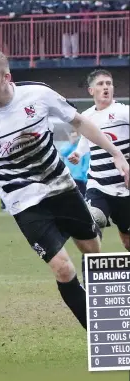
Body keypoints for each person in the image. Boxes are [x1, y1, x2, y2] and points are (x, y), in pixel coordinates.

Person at [0, 50, 129, 330]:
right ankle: (101, 332)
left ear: (7, 77)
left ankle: (108, 312)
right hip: (24, 202)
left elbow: (79, 122)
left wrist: (116, 153)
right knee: (63, 268)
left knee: (93, 251)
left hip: (61, 188)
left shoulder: (38, 94)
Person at [68, 70, 130, 253]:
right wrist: (78, 154)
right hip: (98, 184)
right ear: (91, 90)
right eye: (101, 84)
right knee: (96, 218)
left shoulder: (123, 112)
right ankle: (92, 273)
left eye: (109, 83)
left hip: (124, 187)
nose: (106, 87)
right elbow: (85, 140)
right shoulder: (86, 116)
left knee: (127, 242)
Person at [61, 131, 90, 197]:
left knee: (81, 197)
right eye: (72, 136)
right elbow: (63, 153)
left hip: (80, 179)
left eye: (75, 136)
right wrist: (71, 144)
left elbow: (86, 163)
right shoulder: (66, 146)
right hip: (68, 177)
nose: (74, 138)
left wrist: (85, 178)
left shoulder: (82, 147)